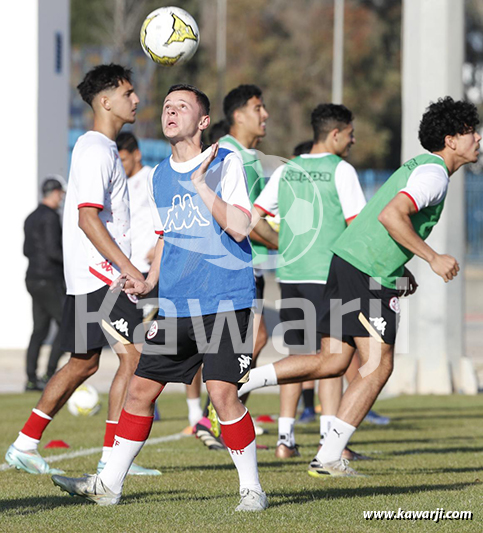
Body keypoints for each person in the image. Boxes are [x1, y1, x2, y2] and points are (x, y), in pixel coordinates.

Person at [235, 96, 480, 477]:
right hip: (367, 273)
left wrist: (404, 266)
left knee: (333, 360)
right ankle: (330, 456)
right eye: (470, 132)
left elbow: (382, 223)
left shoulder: (424, 169)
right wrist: (432, 257)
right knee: (378, 365)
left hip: (348, 263)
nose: (478, 139)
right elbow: (390, 215)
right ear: (450, 140)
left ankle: (247, 380)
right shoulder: (433, 175)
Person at [52, 84, 268, 511]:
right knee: (140, 391)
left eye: (182, 107)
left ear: (203, 121)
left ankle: (253, 490)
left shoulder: (225, 162)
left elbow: (242, 227)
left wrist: (203, 186)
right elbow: (168, 235)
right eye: (167, 106)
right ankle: (108, 485)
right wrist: (150, 281)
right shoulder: (158, 175)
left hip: (225, 299)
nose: (171, 112)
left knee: (223, 393)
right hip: (176, 306)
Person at [6, 64, 159, 477]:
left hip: (92, 279)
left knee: (83, 363)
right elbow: (86, 219)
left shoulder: (102, 149)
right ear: (106, 101)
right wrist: (129, 270)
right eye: (128, 93)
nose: (136, 99)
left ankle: (24, 443)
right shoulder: (95, 150)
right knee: (135, 360)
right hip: (101, 279)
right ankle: (113, 458)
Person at [253, 104, 366, 458]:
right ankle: (330, 442)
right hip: (329, 277)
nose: (353, 140)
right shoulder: (341, 170)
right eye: (350, 134)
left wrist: (281, 245)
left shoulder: (288, 170)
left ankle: (285, 440)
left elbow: (253, 217)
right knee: (331, 359)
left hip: (290, 276)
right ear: (334, 134)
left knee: (299, 355)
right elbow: (357, 226)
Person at [117, 131, 204, 429]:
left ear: (136, 155)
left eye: (124, 158)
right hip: (135, 275)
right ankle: (148, 400)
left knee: (181, 341)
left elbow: (168, 224)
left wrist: (159, 252)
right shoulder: (123, 185)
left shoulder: (153, 178)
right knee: (141, 344)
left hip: (158, 272)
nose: (121, 163)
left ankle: (194, 412)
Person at [23, 177, 66, 391]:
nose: (62, 199)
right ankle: (50, 374)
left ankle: (31, 379)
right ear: (56, 193)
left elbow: (26, 250)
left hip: (32, 278)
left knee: (39, 329)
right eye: (61, 194)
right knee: (67, 323)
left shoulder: (31, 217)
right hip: (49, 279)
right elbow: (53, 251)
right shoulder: (50, 217)